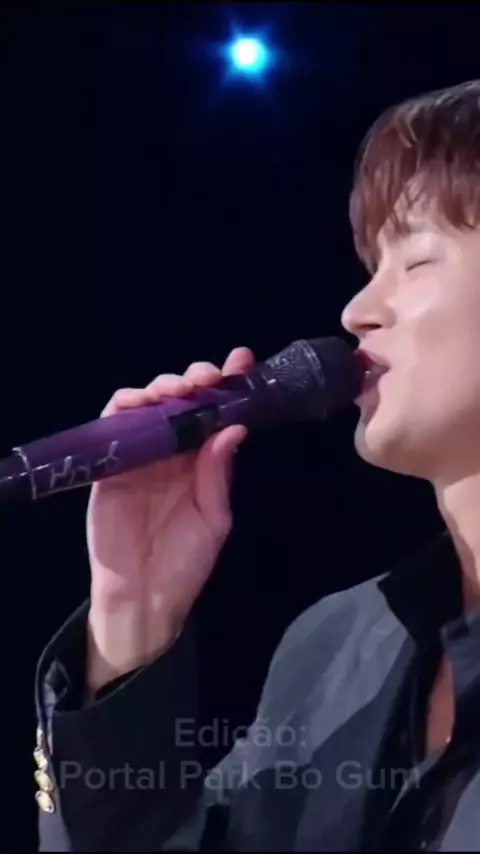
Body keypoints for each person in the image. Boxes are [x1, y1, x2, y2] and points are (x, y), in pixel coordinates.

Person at [34, 79, 480, 852]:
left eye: (415, 260)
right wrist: (132, 620)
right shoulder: (329, 649)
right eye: (370, 264)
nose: (356, 312)